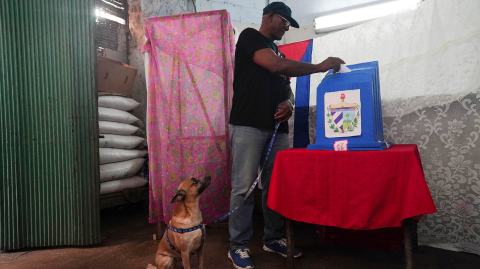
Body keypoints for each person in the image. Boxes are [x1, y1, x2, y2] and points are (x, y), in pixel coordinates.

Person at [228, 2, 345, 269]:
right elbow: (273, 66)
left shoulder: (278, 50)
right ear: (269, 17)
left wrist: (290, 104)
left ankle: (273, 238)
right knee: (243, 188)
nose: (286, 28)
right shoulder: (250, 37)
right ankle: (238, 245)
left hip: (276, 129)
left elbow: (286, 88)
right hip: (248, 124)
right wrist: (318, 66)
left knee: (275, 185)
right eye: (284, 22)